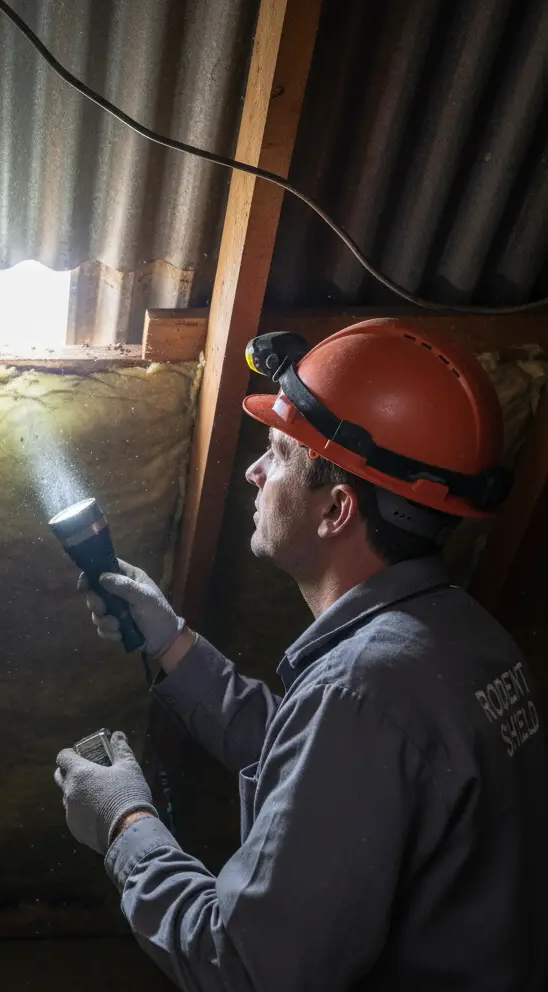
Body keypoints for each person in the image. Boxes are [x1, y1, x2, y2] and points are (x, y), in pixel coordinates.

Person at [54, 319, 548, 990]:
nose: (255, 473)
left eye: (278, 455)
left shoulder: (363, 695)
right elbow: (319, 767)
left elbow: (246, 967)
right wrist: (171, 642)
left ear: (336, 510)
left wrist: (124, 825)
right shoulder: (466, 638)